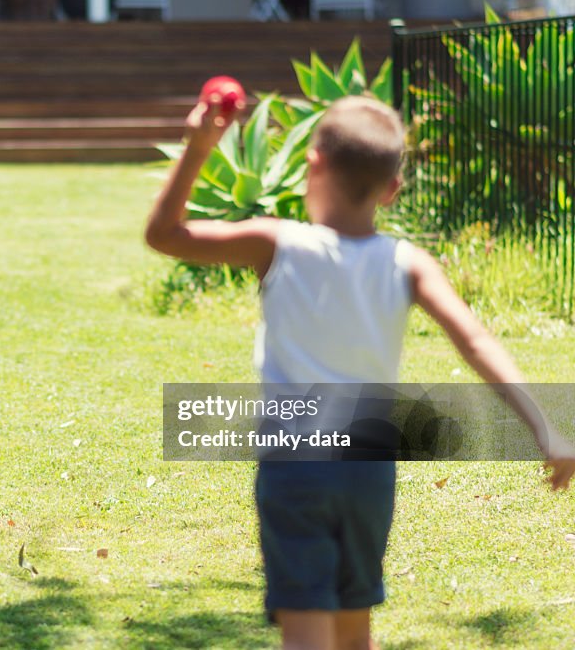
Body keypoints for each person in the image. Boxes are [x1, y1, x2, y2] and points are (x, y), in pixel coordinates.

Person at [144, 94, 575, 649]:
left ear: (313, 164)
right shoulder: (407, 262)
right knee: (353, 632)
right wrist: (545, 426)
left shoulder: (276, 243)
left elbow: (164, 234)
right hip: (367, 474)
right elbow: (474, 340)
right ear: (392, 188)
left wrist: (200, 146)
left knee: (305, 632)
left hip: (295, 467)